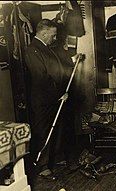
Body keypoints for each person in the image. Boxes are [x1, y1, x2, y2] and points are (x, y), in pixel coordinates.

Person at [25, 19, 70, 180]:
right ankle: (42, 167)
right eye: (53, 35)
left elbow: (55, 69)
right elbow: (41, 78)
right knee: (44, 130)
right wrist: (59, 94)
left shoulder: (45, 48)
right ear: (44, 33)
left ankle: (54, 159)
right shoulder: (33, 50)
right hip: (43, 99)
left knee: (55, 128)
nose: (55, 38)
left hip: (52, 97)